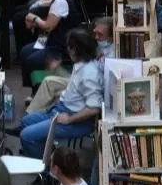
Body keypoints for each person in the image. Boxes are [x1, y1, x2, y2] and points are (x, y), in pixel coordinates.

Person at [15, 28, 103, 160]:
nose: (67, 49)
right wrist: (58, 70)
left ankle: (46, 174)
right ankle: (44, 153)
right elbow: (74, 86)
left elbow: (94, 109)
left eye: (69, 47)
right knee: (26, 122)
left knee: (26, 135)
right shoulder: (81, 64)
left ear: (75, 49)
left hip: (75, 120)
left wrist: (69, 119)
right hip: (61, 109)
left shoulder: (89, 74)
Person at [24, 17, 114, 113]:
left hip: (91, 84)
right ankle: (32, 114)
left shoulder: (112, 55)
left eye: (100, 35)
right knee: (48, 81)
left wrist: (59, 70)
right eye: (95, 33)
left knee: (50, 82)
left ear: (110, 37)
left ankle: (35, 116)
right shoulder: (98, 45)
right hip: (83, 76)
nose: (96, 37)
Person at [18, 0, 80, 88]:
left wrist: (34, 18)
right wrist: (34, 25)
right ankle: (33, 89)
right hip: (50, 40)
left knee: (32, 60)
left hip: (60, 46)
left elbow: (48, 26)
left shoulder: (60, 2)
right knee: (25, 51)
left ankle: (39, 92)